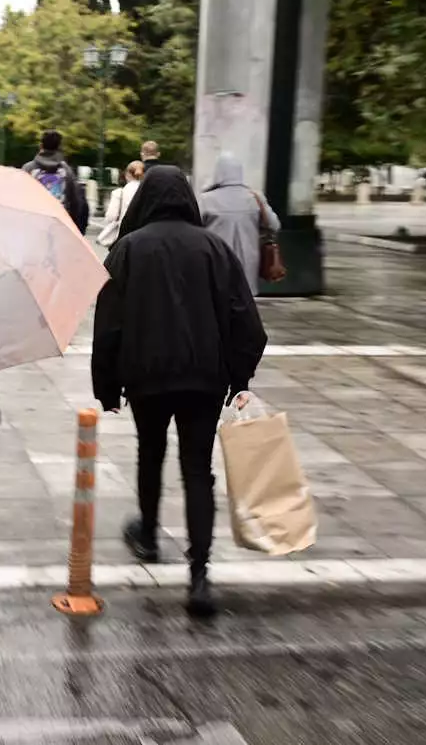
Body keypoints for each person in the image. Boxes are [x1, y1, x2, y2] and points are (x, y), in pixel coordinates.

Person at [90, 166, 266, 618]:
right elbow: (247, 322)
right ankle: (200, 574)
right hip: (204, 379)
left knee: (149, 453)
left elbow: (108, 325)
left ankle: (148, 534)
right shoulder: (214, 249)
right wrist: (238, 378)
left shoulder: (128, 249)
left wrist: (106, 386)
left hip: (147, 377)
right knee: (197, 470)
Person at [199, 152, 282, 296]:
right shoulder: (255, 197)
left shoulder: (206, 200)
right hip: (249, 262)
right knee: (245, 300)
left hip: (216, 261)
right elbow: (274, 225)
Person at [22, 130, 86, 234]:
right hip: (59, 226)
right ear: (59, 147)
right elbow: (76, 202)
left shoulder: (28, 169)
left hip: (32, 225)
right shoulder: (67, 171)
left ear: (40, 145)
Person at [97, 160, 144, 247]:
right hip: (143, 237)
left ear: (127, 175)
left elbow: (111, 216)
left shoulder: (119, 193)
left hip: (123, 236)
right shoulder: (147, 192)